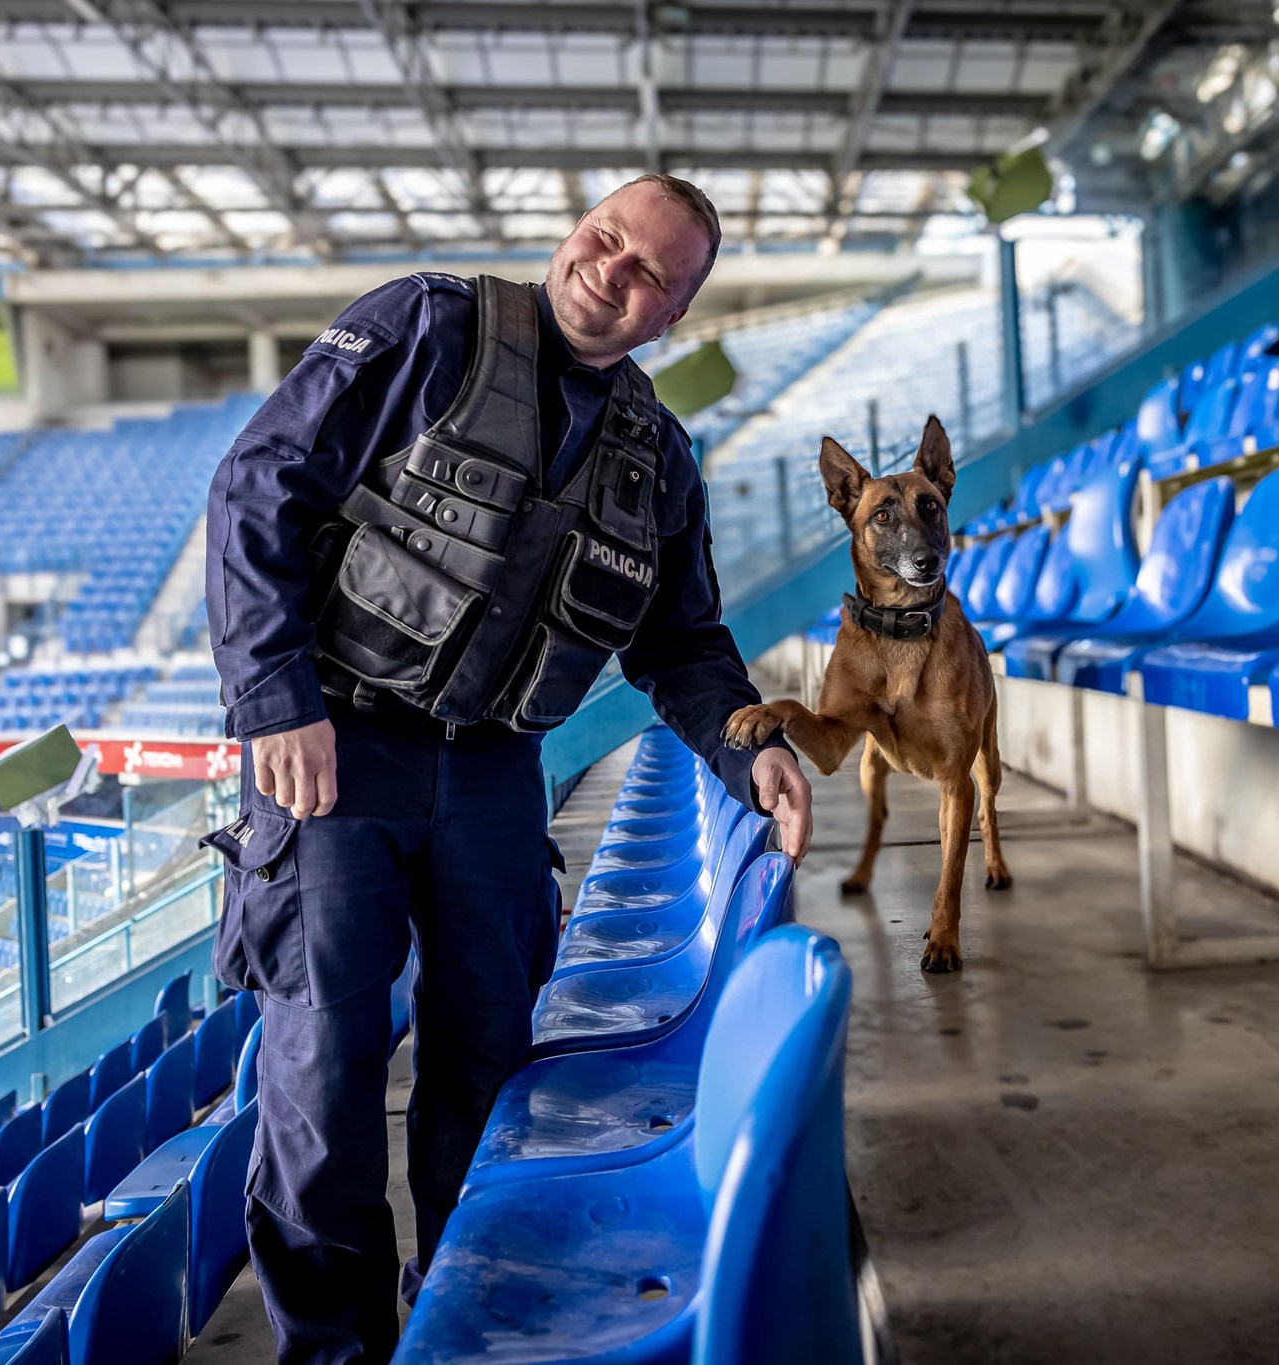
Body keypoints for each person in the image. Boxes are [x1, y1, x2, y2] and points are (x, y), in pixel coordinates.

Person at [202, 173, 814, 1364]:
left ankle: (458, 1323)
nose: (612, 273)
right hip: (336, 751)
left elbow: (680, 643)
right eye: (605, 240)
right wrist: (274, 699)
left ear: (670, 315)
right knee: (322, 1081)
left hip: (492, 773)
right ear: (572, 230)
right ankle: (331, 1352)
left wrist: (755, 748)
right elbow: (257, 486)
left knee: (485, 1067)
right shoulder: (422, 326)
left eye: (650, 275)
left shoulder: (657, 454)